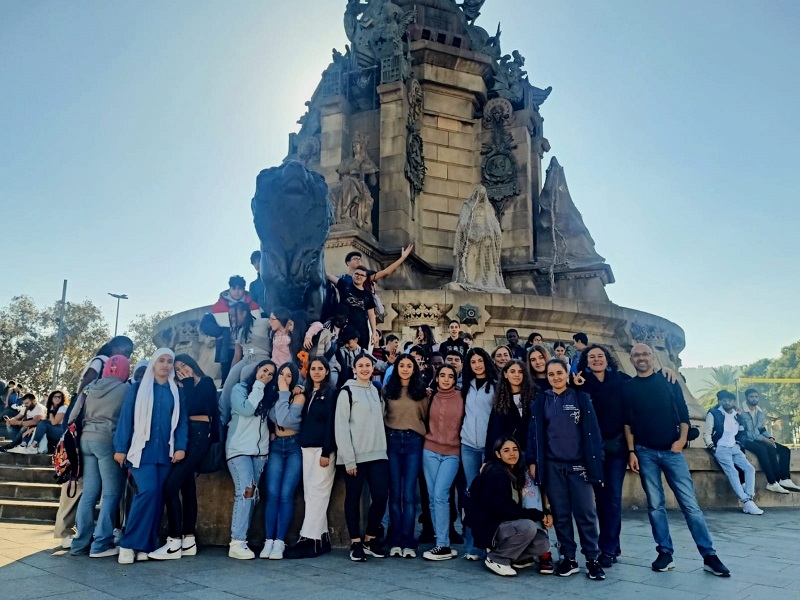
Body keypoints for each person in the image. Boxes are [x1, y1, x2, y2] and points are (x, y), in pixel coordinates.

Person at [623, 343, 730, 577]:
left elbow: (683, 413)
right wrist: (631, 451)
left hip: (672, 451)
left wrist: (681, 441)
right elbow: (628, 423)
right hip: (645, 452)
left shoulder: (668, 380)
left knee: (690, 505)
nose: (641, 358)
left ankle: (709, 555)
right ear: (631, 360)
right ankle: (665, 552)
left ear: (653, 357)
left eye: (645, 354)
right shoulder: (628, 387)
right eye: (636, 355)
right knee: (655, 505)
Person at [528, 359, 605, 580]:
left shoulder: (581, 398)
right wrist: (533, 461)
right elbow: (534, 433)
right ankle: (569, 558)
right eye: (551, 374)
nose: (556, 377)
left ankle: (592, 558)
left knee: (586, 513)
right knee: (560, 514)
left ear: (567, 374)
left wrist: (597, 462)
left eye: (559, 373)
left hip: (579, 465)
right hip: (553, 465)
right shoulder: (541, 400)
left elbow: (593, 432)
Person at [113, 349, 189, 565]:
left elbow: (181, 421)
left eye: (169, 361)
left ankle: (145, 545)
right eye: (161, 360)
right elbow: (126, 418)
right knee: (148, 491)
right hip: (141, 451)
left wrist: (180, 446)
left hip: (165, 452)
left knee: (157, 498)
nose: (165, 364)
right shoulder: (138, 388)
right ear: (154, 363)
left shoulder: (176, 391)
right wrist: (120, 447)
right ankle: (128, 544)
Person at [149, 354, 218, 560]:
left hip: (199, 436)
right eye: (177, 369)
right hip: (186, 435)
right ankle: (189, 539)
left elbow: (197, 407)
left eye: (184, 365)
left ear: (192, 364)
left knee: (170, 487)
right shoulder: (179, 387)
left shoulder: (205, 382)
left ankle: (174, 541)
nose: (182, 370)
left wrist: (187, 383)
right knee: (187, 488)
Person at [68, 355, 130, 557]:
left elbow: (72, 416)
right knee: (111, 494)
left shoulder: (89, 387)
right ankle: (101, 544)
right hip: (108, 441)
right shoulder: (126, 389)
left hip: (85, 440)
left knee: (89, 493)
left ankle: (79, 544)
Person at [335, 352, 389, 562]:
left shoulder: (376, 390)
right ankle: (355, 542)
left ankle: (370, 539)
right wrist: (349, 459)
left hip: (378, 454)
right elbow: (341, 427)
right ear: (355, 369)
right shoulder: (346, 392)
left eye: (368, 365)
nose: (365, 368)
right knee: (353, 498)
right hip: (355, 457)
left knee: (381, 497)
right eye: (361, 365)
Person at [470, 436, 550, 577]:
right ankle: (497, 559)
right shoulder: (496, 474)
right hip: (491, 529)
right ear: (498, 454)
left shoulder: (513, 471)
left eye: (515, 449)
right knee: (528, 527)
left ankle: (508, 556)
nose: (512, 454)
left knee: (542, 543)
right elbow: (507, 510)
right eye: (506, 450)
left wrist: (545, 511)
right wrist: (538, 514)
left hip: (506, 526)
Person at [285, 357, 337, 559]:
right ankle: (321, 539)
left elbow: (332, 424)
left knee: (318, 494)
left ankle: (309, 539)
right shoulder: (307, 392)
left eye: (320, 368)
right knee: (310, 494)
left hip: (322, 450)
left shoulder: (331, 393)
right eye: (313, 368)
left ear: (326, 371)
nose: (316, 372)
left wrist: (326, 451)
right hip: (306, 448)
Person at [225, 360, 275, 559]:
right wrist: (259, 385)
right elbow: (247, 409)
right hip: (239, 449)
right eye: (264, 370)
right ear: (256, 371)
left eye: (271, 374)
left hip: (260, 452)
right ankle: (237, 542)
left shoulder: (269, 394)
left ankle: (244, 539)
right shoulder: (240, 389)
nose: (267, 375)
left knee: (253, 495)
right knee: (246, 491)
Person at [383, 353, 430, 558]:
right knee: (394, 494)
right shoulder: (388, 390)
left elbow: (425, 417)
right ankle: (395, 540)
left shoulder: (422, 392)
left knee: (409, 495)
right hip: (392, 440)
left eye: (409, 366)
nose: (405, 369)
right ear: (396, 368)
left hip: (413, 442)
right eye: (401, 365)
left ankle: (408, 541)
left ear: (414, 369)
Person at [422, 365, 463, 561]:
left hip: (452, 453)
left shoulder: (462, 397)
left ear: (455, 379)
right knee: (433, 497)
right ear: (437, 378)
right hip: (429, 450)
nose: (446, 379)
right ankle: (440, 540)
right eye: (442, 375)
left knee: (441, 495)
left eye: (450, 376)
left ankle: (443, 545)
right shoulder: (429, 396)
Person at [459, 347, 497, 560]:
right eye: (473, 362)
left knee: (489, 495)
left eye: (480, 361)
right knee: (471, 494)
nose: (477, 365)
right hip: (468, 445)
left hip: (488, 446)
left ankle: (489, 543)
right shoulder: (466, 385)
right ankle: (472, 546)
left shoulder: (496, 385)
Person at [263, 362, 303, 560]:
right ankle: (268, 540)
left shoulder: (299, 396)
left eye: (289, 375)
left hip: (294, 446)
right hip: (276, 446)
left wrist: (285, 393)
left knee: (286, 494)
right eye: (282, 375)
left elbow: (286, 420)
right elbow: (273, 417)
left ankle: (279, 541)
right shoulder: (275, 395)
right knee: (272, 493)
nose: (284, 379)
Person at [703, 391, 763, 515]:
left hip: (734, 447)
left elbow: (742, 431)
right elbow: (707, 433)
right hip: (721, 448)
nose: (727, 403)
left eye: (730, 400)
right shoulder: (714, 414)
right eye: (724, 400)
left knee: (750, 469)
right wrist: (713, 447)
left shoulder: (737, 414)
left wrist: (739, 444)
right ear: (720, 401)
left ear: (733, 402)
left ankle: (749, 498)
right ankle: (746, 501)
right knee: (733, 473)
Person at [219, 302, 271, 428]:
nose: (232, 319)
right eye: (231, 316)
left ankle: (243, 408)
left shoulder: (263, 323)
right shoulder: (240, 331)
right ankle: (223, 417)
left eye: (234, 316)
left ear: (244, 313)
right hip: (246, 359)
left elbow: (279, 324)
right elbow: (237, 355)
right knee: (230, 380)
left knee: (245, 373)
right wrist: (231, 372)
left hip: (261, 359)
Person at [200, 276, 260, 382]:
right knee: (227, 376)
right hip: (227, 348)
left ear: (244, 289)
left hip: (248, 346)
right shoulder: (220, 305)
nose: (237, 291)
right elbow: (205, 324)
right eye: (234, 288)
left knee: (249, 374)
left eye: (240, 288)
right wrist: (219, 333)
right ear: (230, 289)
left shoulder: (253, 304)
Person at [738, 389, 799, 493]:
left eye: (756, 397)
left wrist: (770, 438)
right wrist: (763, 439)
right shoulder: (740, 412)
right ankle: (772, 482)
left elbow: (762, 429)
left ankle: (785, 479)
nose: (754, 399)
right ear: (746, 398)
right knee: (764, 449)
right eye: (751, 397)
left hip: (760, 438)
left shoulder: (760, 412)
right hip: (746, 440)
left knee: (784, 450)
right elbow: (744, 432)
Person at [485, 360, 532, 462]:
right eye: (512, 371)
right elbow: (493, 431)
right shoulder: (500, 400)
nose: (516, 375)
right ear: (505, 374)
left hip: (531, 453)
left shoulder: (534, 396)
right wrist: (488, 459)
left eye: (520, 372)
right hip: (509, 456)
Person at [328, 265, 380, 351]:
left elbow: (371, 314)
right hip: (345, 329)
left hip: (362, 330)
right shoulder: (345, 285)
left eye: (362, 275)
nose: (359, 276)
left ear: (365, 278)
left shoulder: (367, 294)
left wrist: (374, 332)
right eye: (357, 274)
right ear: (352, 275)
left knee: (362, 354)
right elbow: (329, 276)